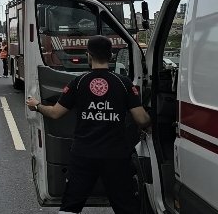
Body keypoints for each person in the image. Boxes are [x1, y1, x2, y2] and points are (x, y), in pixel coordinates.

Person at [25, 35, 151, 214]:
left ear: (88, 55)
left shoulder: (79, 82)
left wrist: (36, 105)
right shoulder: (124, 84)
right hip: (115, 156)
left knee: (70, 206)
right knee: (126, 207)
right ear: (111, 55)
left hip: (84, 155)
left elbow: (55, 113)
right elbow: (142, 119)